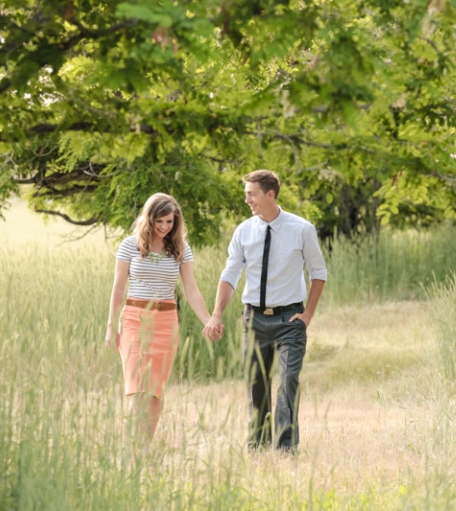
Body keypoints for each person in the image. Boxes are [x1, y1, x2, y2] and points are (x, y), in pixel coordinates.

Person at [203, 170, 327, 453]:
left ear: (270, 194)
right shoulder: (244, 231)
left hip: (290, 319)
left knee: (288, 380)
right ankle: (258, 444)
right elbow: (230, 274)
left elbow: (318, 272)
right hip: (254, 320)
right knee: (256, 384)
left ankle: (285, 448)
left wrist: (307, 314)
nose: (247, 200)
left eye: (252, 194)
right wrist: (217, 313)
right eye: (246, 194)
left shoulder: (302, 229)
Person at [106, 192, 213, 440]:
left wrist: (208, 320)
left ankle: (144, 450)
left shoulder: (180, 249)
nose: (165, 227)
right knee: (136, 389)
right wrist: (111, 326)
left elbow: (191, 290)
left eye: (170, 222)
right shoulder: (128, 245)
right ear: (149, 219)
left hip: (166, 323)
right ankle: (132, 450)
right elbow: (119, 289)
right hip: (134, 319)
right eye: (160, 221)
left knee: (154, 393)